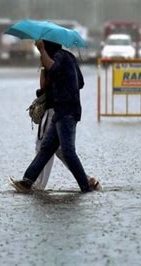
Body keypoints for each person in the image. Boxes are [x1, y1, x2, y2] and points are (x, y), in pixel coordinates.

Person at [11, 39, 93, 193]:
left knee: (68, 151)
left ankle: (86, 185)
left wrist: (41, 51)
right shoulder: (68, 57)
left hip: (66, 111)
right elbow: (80, 82)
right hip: (63, 111)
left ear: (48, 47)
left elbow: (54, 68)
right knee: (46, 148)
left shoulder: (59, 57)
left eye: (44, 47)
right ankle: (27, 182)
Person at [32, 66, 101, 191]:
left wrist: (43, 68)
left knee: (44, 147)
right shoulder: (63, 61)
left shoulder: (52, 61)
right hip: (60, 109)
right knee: (59, 150)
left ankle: (37, 184)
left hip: (54, 110)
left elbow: (44, 86)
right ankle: (86, 180)